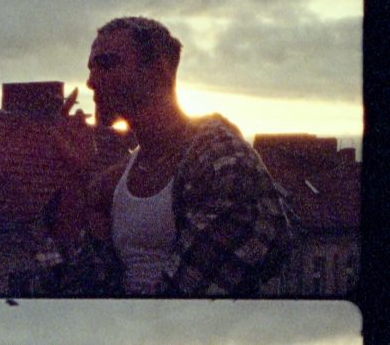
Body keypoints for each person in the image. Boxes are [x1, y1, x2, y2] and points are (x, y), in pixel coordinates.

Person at [23, 16, 294, 297]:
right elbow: (72, 287)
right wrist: (77, 176)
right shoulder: (120, 176)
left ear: (158, 71)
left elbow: (188, 301)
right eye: (91, 68)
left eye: (107, 64)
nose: (91, 82)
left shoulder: (222, 161)